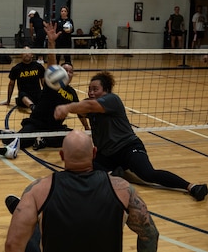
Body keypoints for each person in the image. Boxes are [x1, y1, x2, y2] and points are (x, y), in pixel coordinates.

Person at [54, 71, 208, 201]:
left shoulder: (112, 100)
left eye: (95, 89)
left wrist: (66, 108)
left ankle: (191, 186)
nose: (91, 92)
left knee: (148, 174)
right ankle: (114, 173)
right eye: (89, 89)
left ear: (106, 90)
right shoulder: (90, 104)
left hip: (127, 147)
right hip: (106, 153)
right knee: (83, 166)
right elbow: (79, 106)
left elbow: (87, 106)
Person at [4, 130, 159, 252]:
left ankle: (23, 210)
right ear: (94, 153)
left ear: (62, 155)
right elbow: (150, 235)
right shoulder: (123, 189)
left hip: (39, 206)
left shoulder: (37, 190)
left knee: (33, 232)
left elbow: (12, 245)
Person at [0, 22, 89, 150]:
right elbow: (52, 65)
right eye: (65, 70)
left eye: (71, 71)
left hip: (54, 128)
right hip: (37, 123)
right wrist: (51, 43)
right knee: (19, 143)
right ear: (59, 72)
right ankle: (9, 134)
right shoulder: (52, 83)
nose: (68, 73)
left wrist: (87, 128)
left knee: (74, 137)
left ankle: (44, 140)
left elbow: (80, 113)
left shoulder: (71, 93)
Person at [2, 47, 45, 111]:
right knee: (22, 95)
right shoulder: (16, 68)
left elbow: (44, 83)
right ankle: (32, 107)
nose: (26, 54)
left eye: (28, 52)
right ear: (21, 55)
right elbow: (11, 85)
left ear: (32, 55)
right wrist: (8, 100)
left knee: (44, 94)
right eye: (24, 52)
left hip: (37, 94)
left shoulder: (38, 66)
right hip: (24, 97)